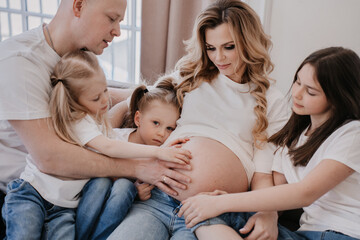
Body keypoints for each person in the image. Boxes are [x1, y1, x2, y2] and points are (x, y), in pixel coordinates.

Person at [0, 0, 191, 236]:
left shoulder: (76, 57)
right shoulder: (21, 62)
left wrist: (170, 96)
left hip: (71, 194)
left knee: (118, 189)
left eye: (120, 22)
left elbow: (106, 96)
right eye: (112, 18)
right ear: (79, 6)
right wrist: (138, 169)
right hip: (31, 192)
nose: (118, 31)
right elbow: (49, 159)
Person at [108, 0, 289, 239]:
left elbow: (263, 175)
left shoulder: (271, 100)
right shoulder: (192, 76)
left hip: (211, 212)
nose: (219, 57)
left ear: (249, 42)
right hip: (156, 199)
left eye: (229, 47)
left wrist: (268, 212)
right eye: (211, 48)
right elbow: (136, 99)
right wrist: (105, 133)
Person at [178, 46, 360, 240]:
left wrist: (222, 202)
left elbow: (305, 192)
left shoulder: (352, 133)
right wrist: (263, 213)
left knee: (214, 207)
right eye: (298, 82)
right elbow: (277, 192)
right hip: (305, 234)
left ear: (338, 98)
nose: (297, 94)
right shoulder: (292, 138)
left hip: (343, 234)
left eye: (311, 92)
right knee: (204, 212)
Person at [117, 76, 189, 201]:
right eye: (156, 123)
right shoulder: (115, 139)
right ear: (138, 119)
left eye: (169, 128)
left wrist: (134, 193)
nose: (161, 133)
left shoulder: (161, 153)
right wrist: (131, 189)